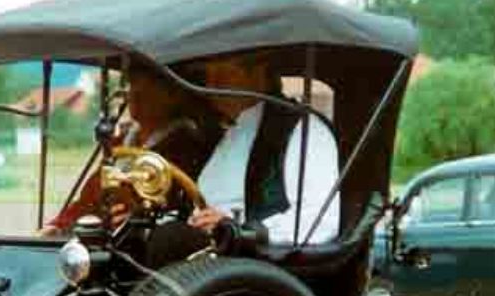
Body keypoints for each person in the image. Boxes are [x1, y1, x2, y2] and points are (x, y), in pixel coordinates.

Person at [186, 53, 340, 246]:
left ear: (258, 72)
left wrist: (238, 231)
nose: (212, 84)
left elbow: (319, 221)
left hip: (253, 265)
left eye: (223, 72)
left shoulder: (305, 130)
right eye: (207, 75)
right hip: (204, 259)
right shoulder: (224, 133)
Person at [43, 66, 219, 235]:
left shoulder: (187, 148)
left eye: (151, 85)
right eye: (134, 83)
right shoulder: (120, 144)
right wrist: (58, 226)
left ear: (174, 95)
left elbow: (177, 214)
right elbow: (88, 200)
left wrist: (134, 222)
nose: (137, 93)